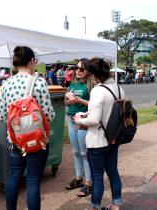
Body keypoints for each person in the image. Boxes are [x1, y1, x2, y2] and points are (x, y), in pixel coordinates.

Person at [0, 46, 55, 210]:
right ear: (31, 61)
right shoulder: (38, 82)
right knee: (33, 180)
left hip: (16, 139)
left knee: (14, 176)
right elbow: (49, 115)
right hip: (37, 140)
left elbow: (2, 115)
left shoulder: (6, 84)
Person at [73, 58, 125, 210]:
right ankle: (116, 204)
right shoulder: (119, 88)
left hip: (97, 141)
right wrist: (87, 113)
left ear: (95, 74)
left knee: (97, 176)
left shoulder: (98, 90)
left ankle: (95, 206)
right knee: (113, 172)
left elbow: (94, 120)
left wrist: (78, 119)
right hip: (114, 138)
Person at [64, 58, 91, 197]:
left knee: (84, 153)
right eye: (77, 68)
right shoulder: (73, 83)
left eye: (82, 69)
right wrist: (68, 98)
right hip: (71, 119)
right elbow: (66, 102)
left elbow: (94, 104)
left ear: (88, 71)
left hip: (83, 122)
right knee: (75, 151)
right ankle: (79, 178)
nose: (78, 71)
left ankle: (88, 183)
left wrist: (78, 100)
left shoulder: (90, 85)